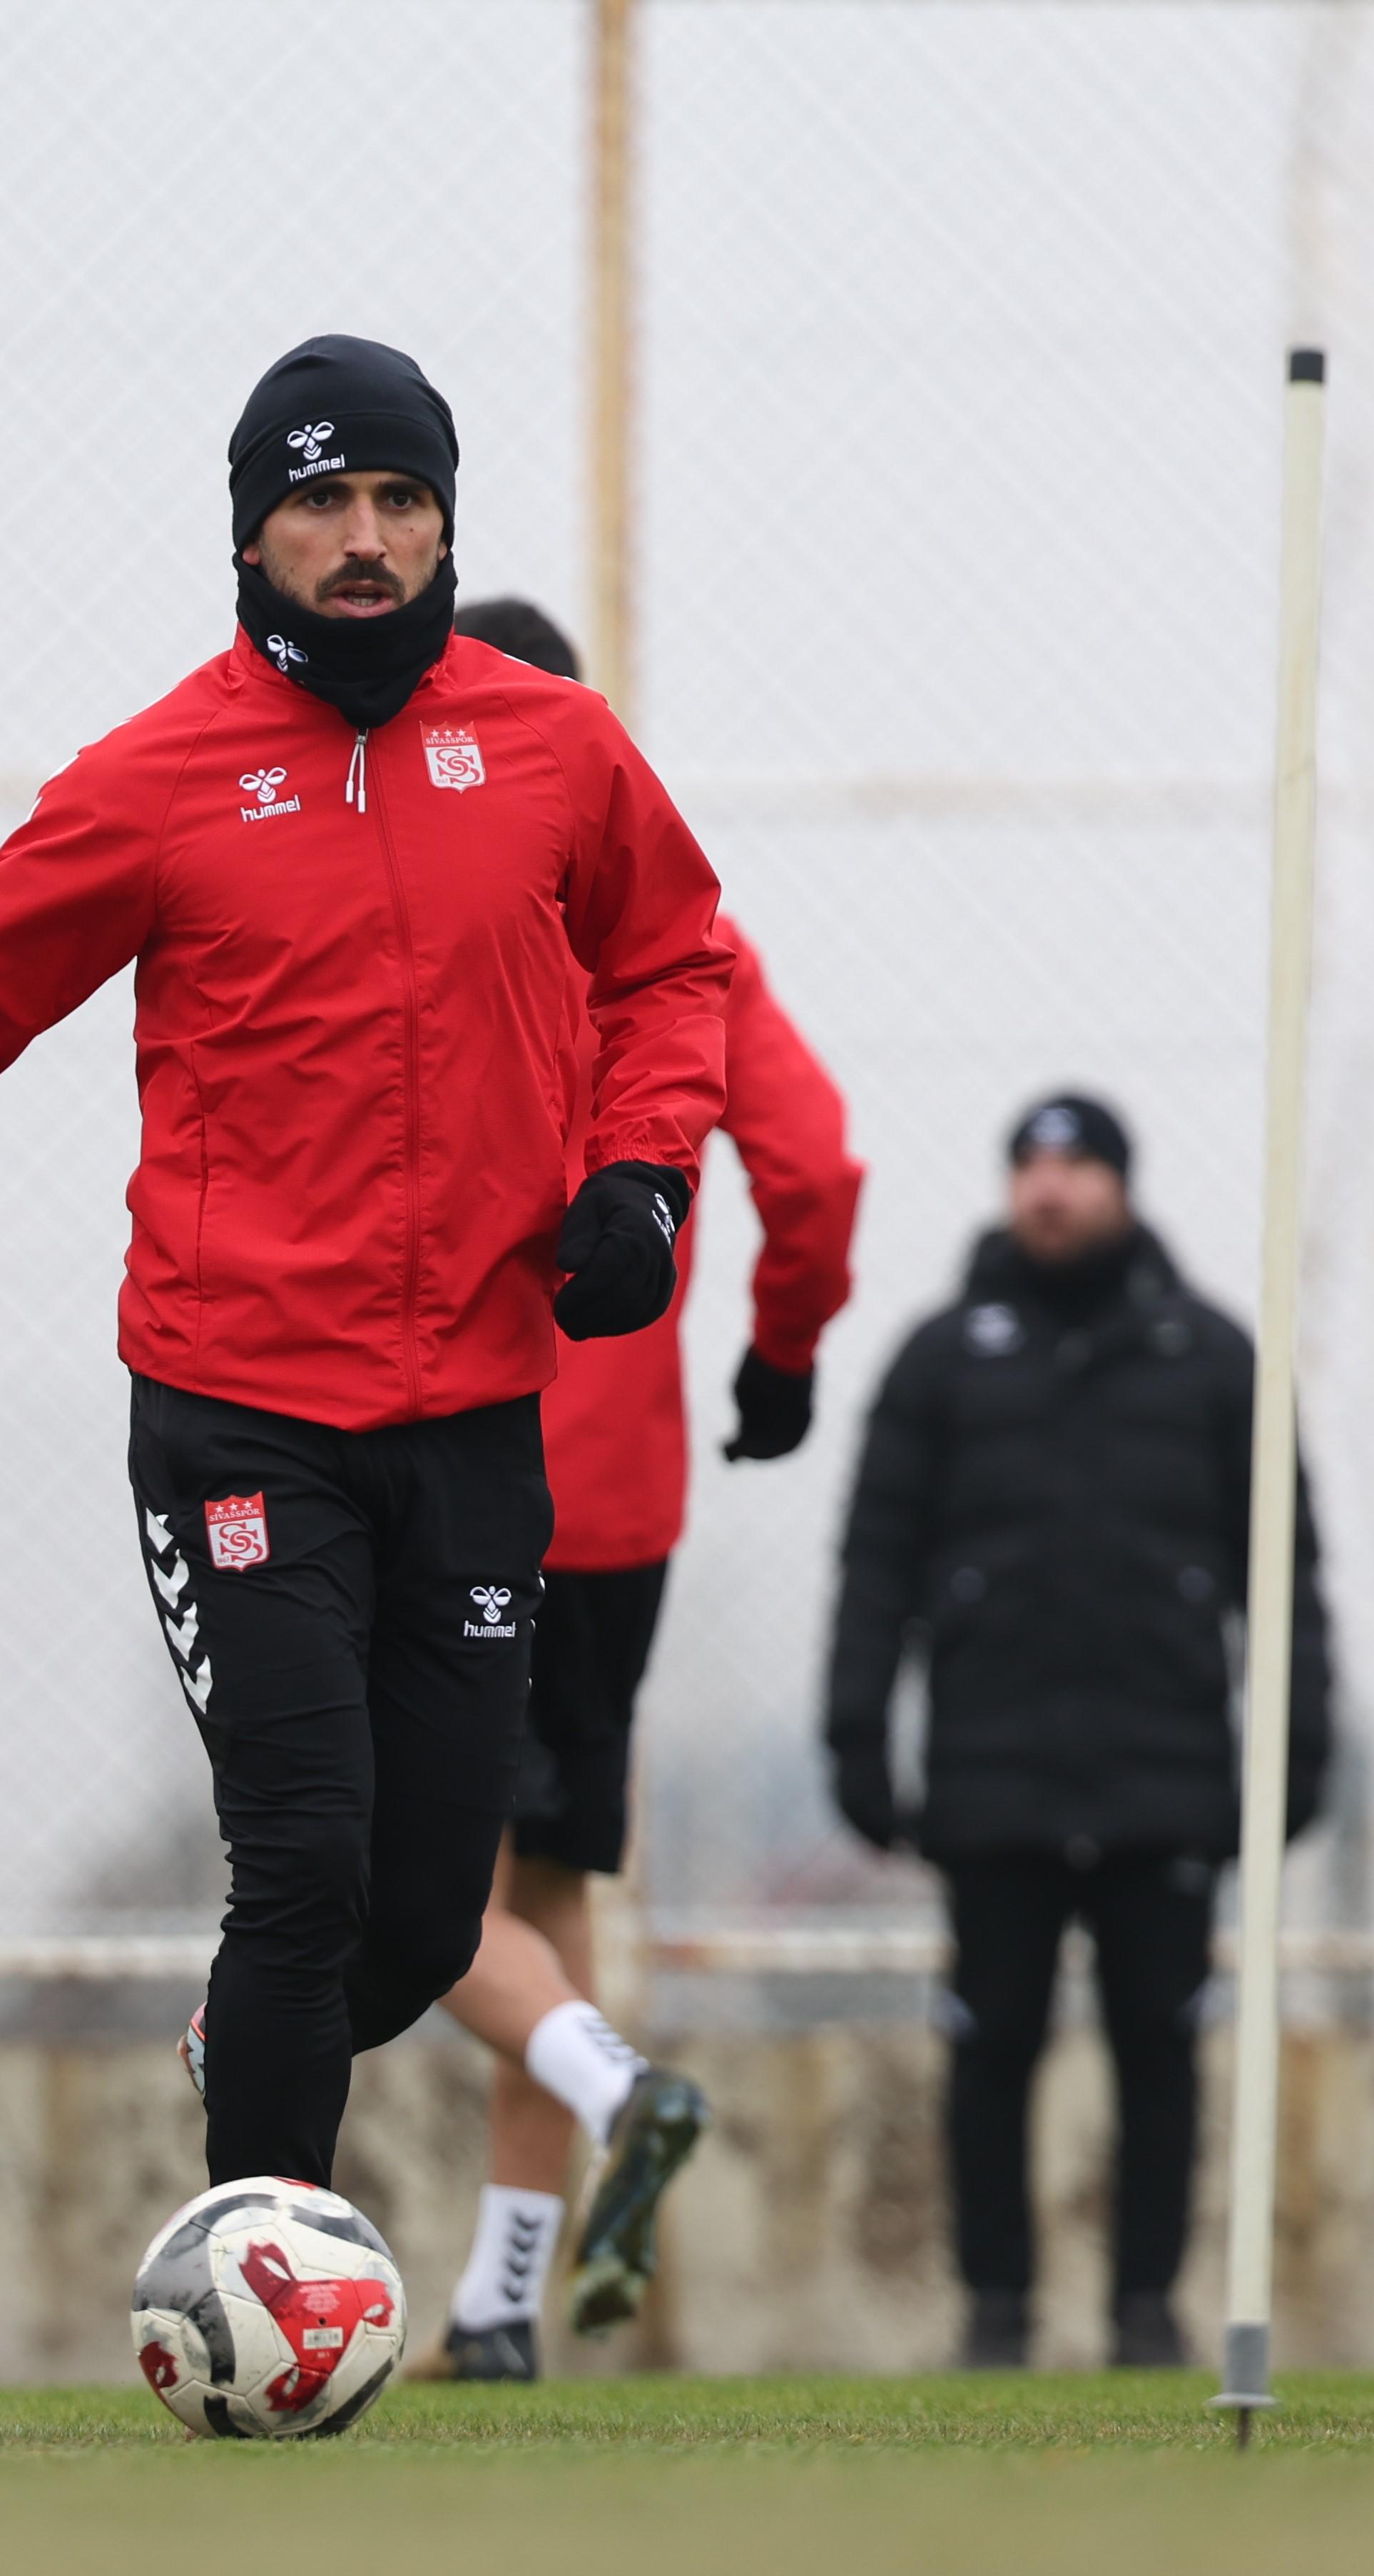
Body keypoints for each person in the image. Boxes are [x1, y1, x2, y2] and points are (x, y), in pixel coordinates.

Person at [0, 337, 736, 2206]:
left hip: (475, 1409)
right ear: (252, 532)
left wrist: (643, 1174)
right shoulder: (156, 780)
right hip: (242, 1415)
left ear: (443, 521)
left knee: (426, 1909)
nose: (364, 540)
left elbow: (675, 961)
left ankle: (249, 2050)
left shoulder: (556, 747)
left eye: (400, 500)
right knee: (303, 1858)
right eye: (323, 501)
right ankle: (262, 2269)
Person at [414, 597, 867, 2380]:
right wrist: (780, 1350)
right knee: (541, 1890)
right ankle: (501, 2306)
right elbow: (813, 1164)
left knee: (383, 1872)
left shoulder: (426, 911)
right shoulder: (683, 935)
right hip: (620, 1500)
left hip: (451, 1454)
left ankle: (616, 2085)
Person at [823, 1093, 1333, 2370]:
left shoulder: (1211, 1358)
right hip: (991, 1779)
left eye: (1077, 1167)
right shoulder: (941, 1359)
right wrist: (856, 1739)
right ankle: (995, 2312)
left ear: (1121, 1183)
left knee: (1160, 2051)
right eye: (1031, 1168)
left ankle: (1146, 2312)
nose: (1050, 1190)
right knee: (989, 2047)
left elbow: (1287, 1578)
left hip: (1166, 1779)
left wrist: (1298, 1753)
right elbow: (874, 1566)